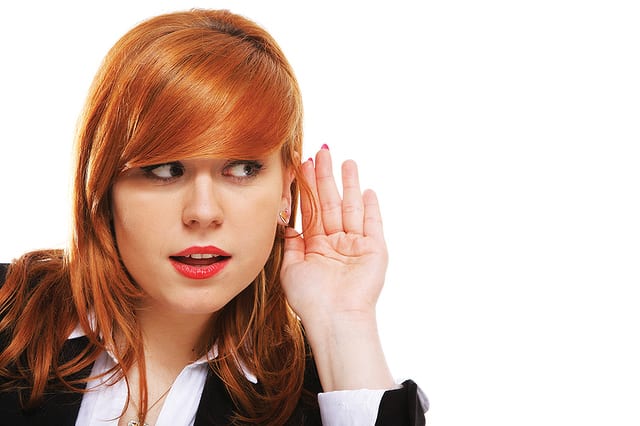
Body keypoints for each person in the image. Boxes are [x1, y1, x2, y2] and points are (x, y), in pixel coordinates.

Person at [0, 9, 427, 425]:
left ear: (286, 188)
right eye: (166, 170)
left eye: (242, 169)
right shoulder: (8, 315)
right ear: (104, 184)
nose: (203, 213)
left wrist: (343, 322)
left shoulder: (329, 398)